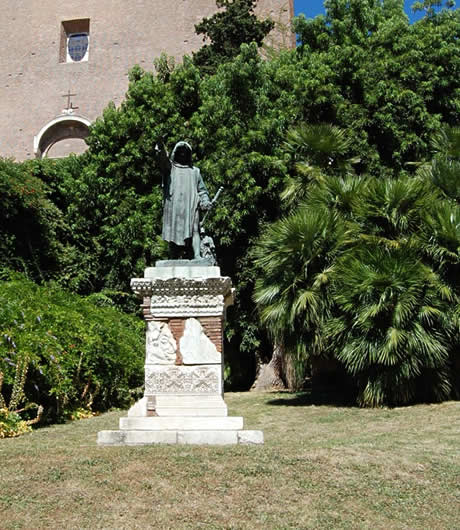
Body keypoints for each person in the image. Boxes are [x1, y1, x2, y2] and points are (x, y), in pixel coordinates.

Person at [155, 140, 211, 259]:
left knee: (195, 229)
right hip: (173, 206)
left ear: (189, 154)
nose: (182, 155)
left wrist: (205, 201)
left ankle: (197, 255)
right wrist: (160, 149)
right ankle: (173, 257)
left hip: (191, 205)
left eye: (185, 152)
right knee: (172, 230)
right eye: (180, 152)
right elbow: (162, 160)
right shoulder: (170, 169)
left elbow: (202, 190)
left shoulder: (195, 172)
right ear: (176, 153)